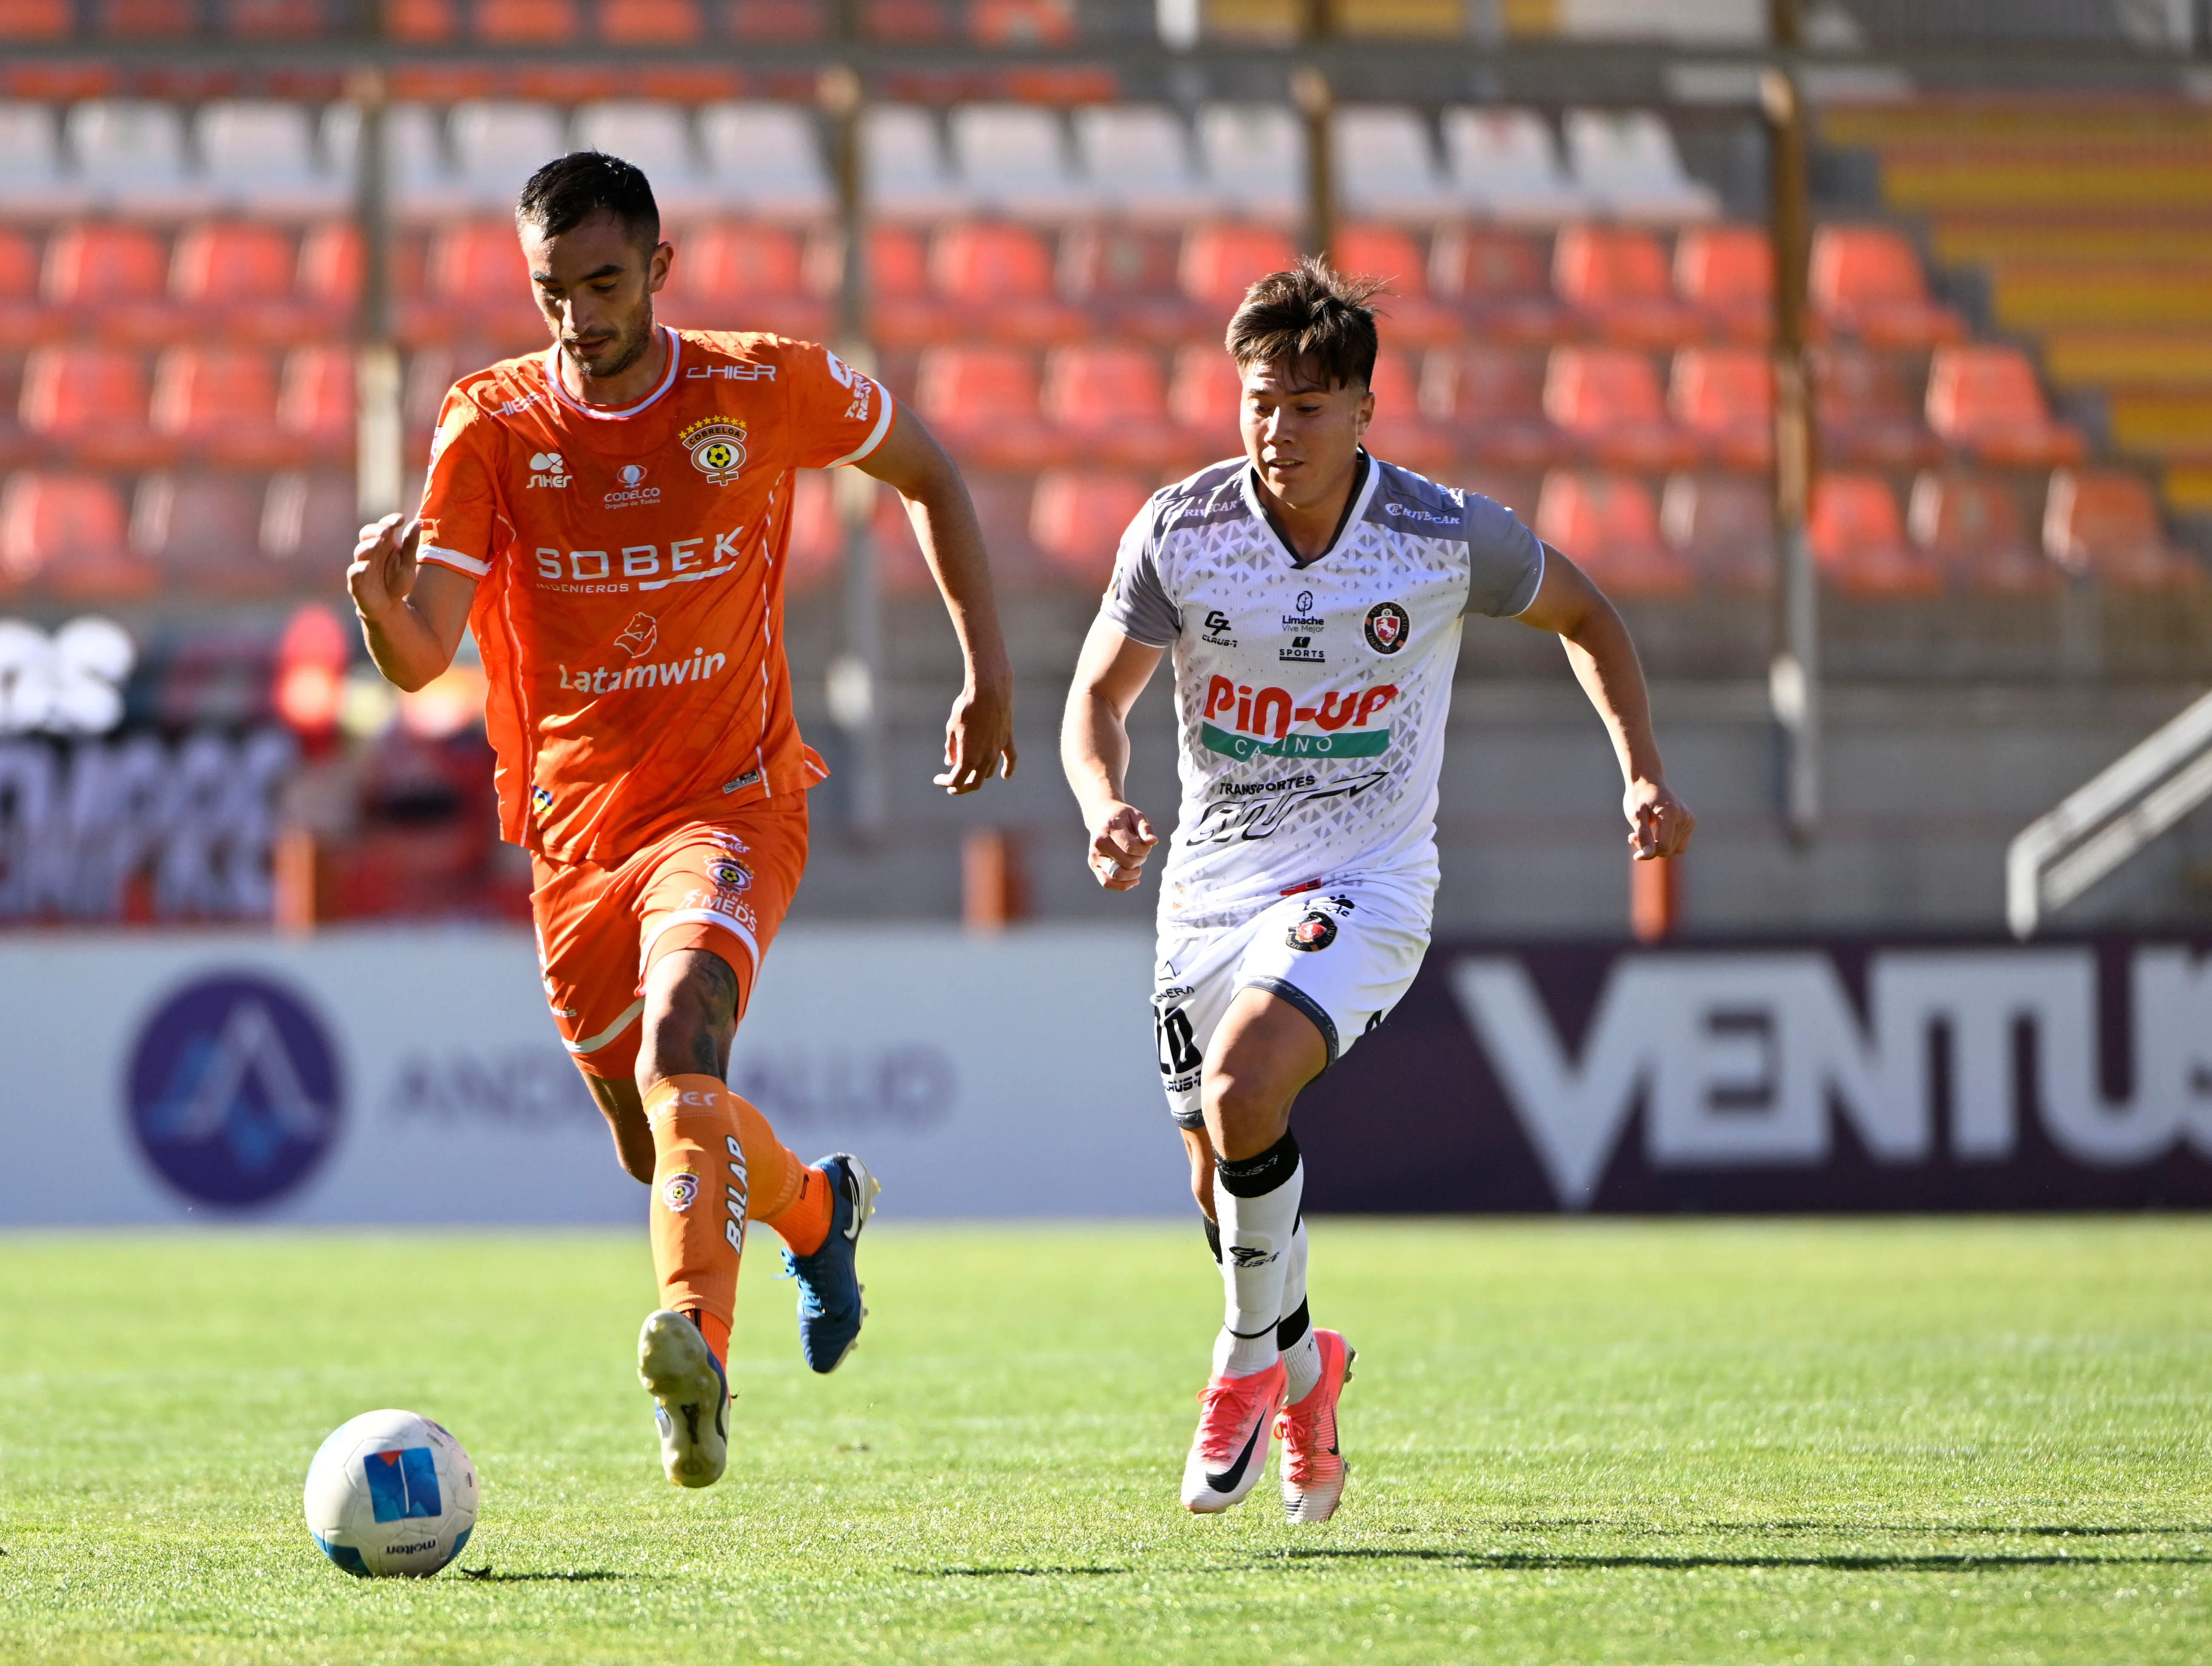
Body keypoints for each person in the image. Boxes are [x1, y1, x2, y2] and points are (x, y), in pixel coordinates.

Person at [348, 153, 1015, 1489]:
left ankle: (692, 1359)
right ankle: (819, 1212)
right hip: (576, 838)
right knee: (656, 1135)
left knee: (681, 1040)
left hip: (734, 801)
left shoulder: (760, 388)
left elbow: (931, 471)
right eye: (554, 290)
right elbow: (425, 658)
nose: (579, 316)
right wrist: (375, 599)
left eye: (604, 283)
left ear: (661, 268)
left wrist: (988, 676)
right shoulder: (492, 427)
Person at [1061, 262, 1693, 1523]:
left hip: (1367, 878)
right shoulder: (1181, 533)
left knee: (1248, 1087)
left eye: (1306, 406)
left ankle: (1240, 1372)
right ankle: (1309, 1370)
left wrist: (1642, 772)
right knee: (1221, 1179)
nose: (1276, 429)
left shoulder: (1441, 536)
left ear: (1363, 409)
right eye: (1258, 401)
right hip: (1205, 891)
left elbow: (1592, 617)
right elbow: (1096, 698)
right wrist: (1103, 805)